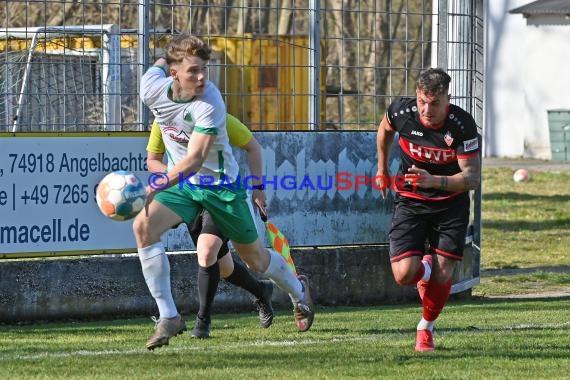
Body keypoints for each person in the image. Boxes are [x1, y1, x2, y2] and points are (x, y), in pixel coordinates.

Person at [135, 34, 314, 350]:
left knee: (257, 261)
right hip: (188, 188)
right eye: (193, 70)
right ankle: (169, 316)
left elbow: (193, 160)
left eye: (205, 68)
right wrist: (166, 51)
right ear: (174, 73)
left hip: (222, 190)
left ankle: (298, 291)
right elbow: (158, 64)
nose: (202, 77)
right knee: (143, 227)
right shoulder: (152, 89)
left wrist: (163, 181)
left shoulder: (210, 103)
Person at [375, 68, 481, 352]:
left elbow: (471, 178)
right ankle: (423, 266)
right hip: (411, 201)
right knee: (403, 275)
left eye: (434, 103)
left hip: (451, 205)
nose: (426, 109)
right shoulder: (402, 111)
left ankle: (426, 328)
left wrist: (435, 181)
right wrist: (382, 168)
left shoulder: (462, 125)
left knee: (444, 272)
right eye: (422, 101)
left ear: (448, 99)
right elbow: (384, 129)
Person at [146, 116, 274, 339]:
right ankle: (261, 291)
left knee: (206, 252)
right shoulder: (163, 118)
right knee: (223, 267)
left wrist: (258, 188)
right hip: (189, 195)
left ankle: (202, 322)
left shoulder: (213, 115)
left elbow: (253, 147)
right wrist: (176, 172)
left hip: (220, 194)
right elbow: (152, 160)